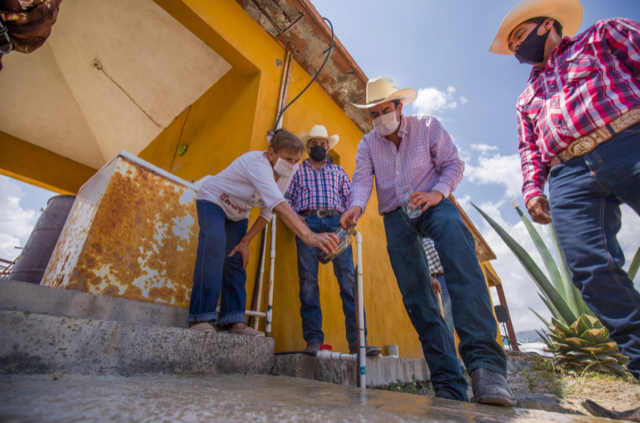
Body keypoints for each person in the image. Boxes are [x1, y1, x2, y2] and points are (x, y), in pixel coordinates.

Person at [489, 0, 640, 419]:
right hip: (568, 173)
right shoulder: (527, 97)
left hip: (628, 136)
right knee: (590, 269)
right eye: (513, 42)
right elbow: (528, 148)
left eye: (522, 35)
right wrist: (534, 189)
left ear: (549, 25)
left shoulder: (604, 35)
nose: (519, 46)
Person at [340, 76, 515, 405]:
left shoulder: (427, 126)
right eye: (374, 114)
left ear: (399, 107)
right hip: (395, 215)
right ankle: (448, 383)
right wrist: (355, 206)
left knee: (460, 252)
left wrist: (437, 193)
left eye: (385, 110)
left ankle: (487, 370)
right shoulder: (368, 145)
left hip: (432, 203)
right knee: (416, 296)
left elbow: (453, 164)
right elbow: (362, 180)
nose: (380, 118)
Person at [188, 129, 338, 336]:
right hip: (213, 200)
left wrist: (245, 241)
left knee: (237, 258)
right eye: (287, 159)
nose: (292, 165)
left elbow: (267, 212)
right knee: (214, 245)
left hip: (238, 213)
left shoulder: (289, 172)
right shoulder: (256, 164)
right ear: (271, 153)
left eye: (296, 160)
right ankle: (200, 316)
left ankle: (234, 319)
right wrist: (308, 235)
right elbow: (278, 204)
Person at [286, 125, 381, 356]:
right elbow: (285, 198)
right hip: (307, 225)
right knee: (308, 282)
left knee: (348, 280)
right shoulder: (296, 171)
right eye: (314, 144)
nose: (318, 147)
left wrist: (350, 217)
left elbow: (351, 199)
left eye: (322, 144)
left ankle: (359, 342)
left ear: (328, 147)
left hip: (337, 226)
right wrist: (296, 218)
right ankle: (314, 342)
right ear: (307, 147)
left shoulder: (339, 172)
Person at [422, 237, 454, 336]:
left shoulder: (432, 236)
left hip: (447, 277)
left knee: (449, 322)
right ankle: (445, 350)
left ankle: (450, 350)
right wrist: (429, 276)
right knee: (442, 320)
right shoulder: (419, 239)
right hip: (436, 279)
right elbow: (417, 260)